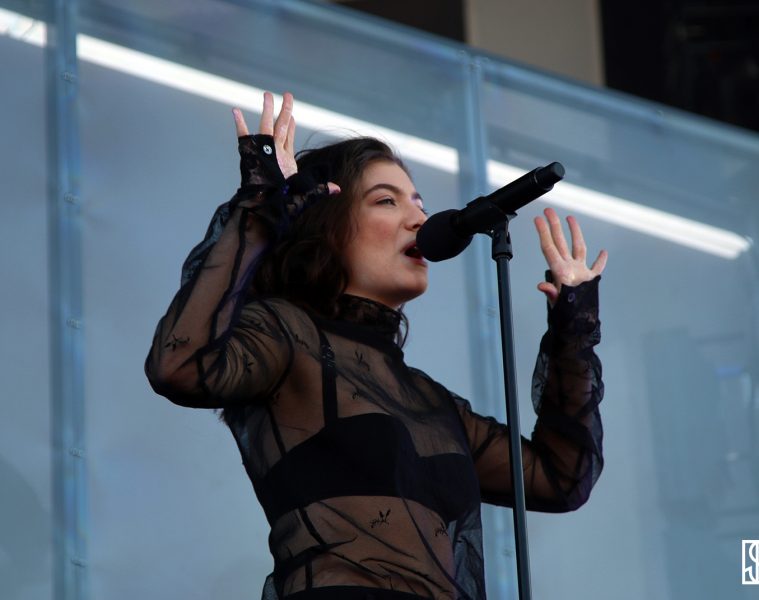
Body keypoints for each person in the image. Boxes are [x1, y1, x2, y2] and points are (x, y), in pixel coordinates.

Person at [146, 92, 607, 600]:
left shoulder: (431, 401)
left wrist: (574, 326)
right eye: (387, 201)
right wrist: (260, 208)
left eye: (420, 204)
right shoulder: (288, 335)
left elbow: (561, 477)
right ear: (325, 224)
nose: (419, 220)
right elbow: (180, 363)